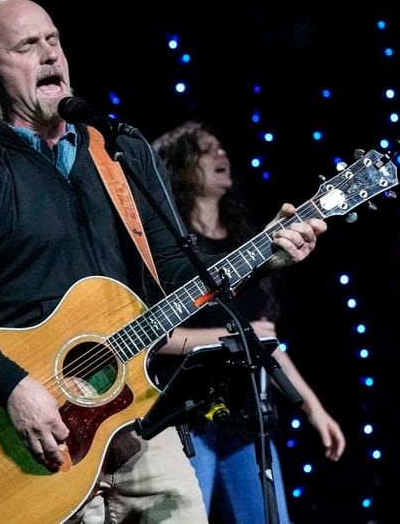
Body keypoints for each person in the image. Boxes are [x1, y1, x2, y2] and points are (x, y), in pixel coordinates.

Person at [0, 0, 327, 523]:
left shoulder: (120, 149)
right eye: (27, 46)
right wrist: (13, 388)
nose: (50, 55)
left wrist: (265, 257)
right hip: (41, 443)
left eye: (53, 40)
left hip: (138, 416)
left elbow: (173, 271)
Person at [150, 120, 346, 523]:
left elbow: (264, 337)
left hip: (246, 421)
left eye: (222, 147)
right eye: (205, 149)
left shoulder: (247, 249)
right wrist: (230, 335)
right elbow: (154, 336)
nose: (221, 155)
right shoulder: (168, 250)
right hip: (186, 423)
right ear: (180, 165)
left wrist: (314, 408)